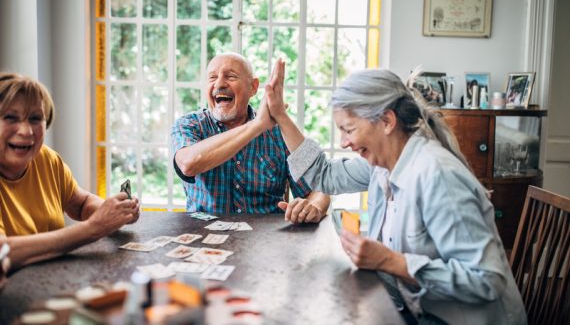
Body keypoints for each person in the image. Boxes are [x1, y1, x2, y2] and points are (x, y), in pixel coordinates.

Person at [260, 64, 526, 324]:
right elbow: (324, 175)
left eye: (349, 130)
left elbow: (486, 280)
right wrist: (281, 116)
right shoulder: (382, 165)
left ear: (387, 121)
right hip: (414, 308)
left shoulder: (438, 176)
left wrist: (390, 261)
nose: (343, 143)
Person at [0, 72, 140, 270]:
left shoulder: (46, 159)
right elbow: (4, 252)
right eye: (11, 118)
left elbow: (81, 204)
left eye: (35, 118)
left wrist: (113, 212)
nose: (26, 131)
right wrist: (94, 228)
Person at [171, 53, 330, 223]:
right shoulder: (189, 125)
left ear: (253, 87)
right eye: (212, 77)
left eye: (230, 76)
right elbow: (188, 164)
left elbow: (319, 188)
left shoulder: (280, 132)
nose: (219, 83)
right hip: (203, 238)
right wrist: (257, 126)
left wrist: (314, 207)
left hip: (266, 240)